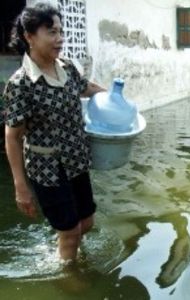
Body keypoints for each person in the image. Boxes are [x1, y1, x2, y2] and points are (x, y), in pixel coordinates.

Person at [3, 2, 106, 262]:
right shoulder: (21, 84)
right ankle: (68, 273)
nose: (60, 39)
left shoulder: (67, 67)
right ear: (29, 36)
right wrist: (20, 186)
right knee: (71, 232)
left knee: (87, 222)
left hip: (76, 160)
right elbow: (12, 137)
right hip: (47, 168)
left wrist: (113, 98)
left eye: (61, 31)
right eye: (51, 32)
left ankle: (63, 245)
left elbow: (85, 87)